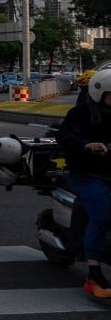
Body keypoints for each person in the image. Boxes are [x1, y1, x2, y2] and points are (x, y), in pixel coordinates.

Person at [55, 68, 111, 298]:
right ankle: (94, 273)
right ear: (100, 92)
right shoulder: (81, 113)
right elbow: (64, 135)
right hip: (89, 175)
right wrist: (86, 146)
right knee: (103, 215)